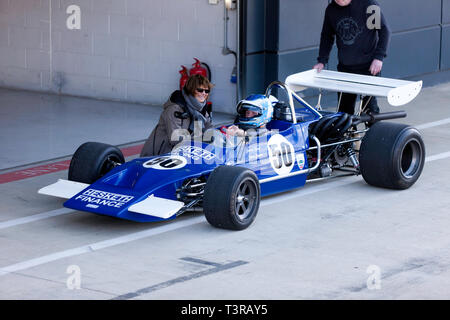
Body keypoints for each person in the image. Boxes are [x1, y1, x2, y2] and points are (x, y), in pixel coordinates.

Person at [313, 0, 391, 115]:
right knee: (344, 111)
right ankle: (350, 133)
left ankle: (373, 132)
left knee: (369, 110)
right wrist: (322, 60)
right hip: (345, 67)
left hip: (368, 67)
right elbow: (327, 36)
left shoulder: (368, 5)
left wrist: (379, 57)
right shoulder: (331, 10)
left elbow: (384, 31)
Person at [140, 74, 214, 157]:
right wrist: (201, 138)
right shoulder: (174, 109)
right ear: (191, 90)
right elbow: (176, 138)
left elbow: (209, 130)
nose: (204, 93)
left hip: (184, 153)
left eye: (206, 91)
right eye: (200, 90)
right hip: (159, 155)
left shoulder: (202, 110)